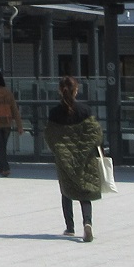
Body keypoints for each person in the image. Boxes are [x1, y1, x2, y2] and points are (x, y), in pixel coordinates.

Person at [43, 75, 105, 241]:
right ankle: (87, 223)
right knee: (85, 192)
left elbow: (50, 136)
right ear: (76, 90)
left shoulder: (54, 113)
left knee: (66, 190)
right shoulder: (85, 110)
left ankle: (70, 227)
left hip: (65, 159)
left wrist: (62, 152)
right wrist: (84, 151)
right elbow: (95, 134)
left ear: (59, 91)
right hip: (85, 160)